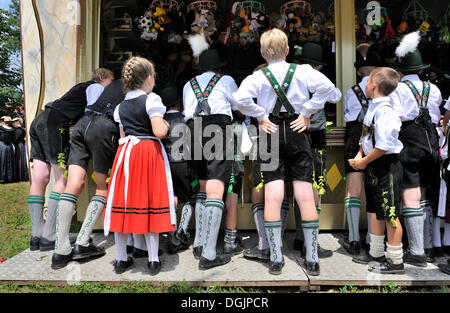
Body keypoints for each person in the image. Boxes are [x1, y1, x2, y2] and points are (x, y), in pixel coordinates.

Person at [233, 29, 337, 276]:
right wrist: (307, 112)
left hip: (270, 134)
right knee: (304, 193)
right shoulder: (303, 71)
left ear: (262, 53)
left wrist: (260, 116)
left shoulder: (257, 76)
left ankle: (276, 258)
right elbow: (332, 91)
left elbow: (239, 100)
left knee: (273, 195)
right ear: (288, 50)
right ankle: (312, 259)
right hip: (297, 130)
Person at [103, 57, 175, 276]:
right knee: (150, 202)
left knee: (124, 204)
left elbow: (123, 135)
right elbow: (159, 132)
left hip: (126, 154)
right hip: (147, 154)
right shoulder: (151, 99)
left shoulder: (121, 107)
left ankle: (121, 258)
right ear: (149, 79)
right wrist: (165, 123)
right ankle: (153, 260)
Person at [28, 68, 113, 252]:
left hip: (40, 120)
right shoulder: (96, 87)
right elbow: (92, 113)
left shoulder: (80, 87)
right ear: (101, 78)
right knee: (63, 179)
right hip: (56, 124)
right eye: (110, 82)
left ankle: (36, 235)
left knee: (40, 176)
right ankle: (49, 235)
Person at [51, 76, 125, 269]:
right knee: (103, 186)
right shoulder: (136, 87)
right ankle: (82, 243)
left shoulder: (114, 83)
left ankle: (60, 250)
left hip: (82, 124)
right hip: (103, 127)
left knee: (74, 183)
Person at [183, 34, 240, 270]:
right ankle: (208, 253)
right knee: (218, 185)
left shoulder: (188, 84)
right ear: (217, 69)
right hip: (217, 127)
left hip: (191, 129)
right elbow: (238, 106)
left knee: (204, 186)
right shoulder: (225, 80)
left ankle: (198, 243)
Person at [389, 31, 442, 267]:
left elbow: (396, 118)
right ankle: (428, 246)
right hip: (431, 144)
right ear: (420, 70)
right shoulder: (435, 89)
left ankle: (417, 252)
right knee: (424, 194)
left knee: (410, 193)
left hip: (408, 141)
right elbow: (438, 116)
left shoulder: (398, 89)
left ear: (401, 71)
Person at [349, 67, 405, 273]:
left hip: (386, 165)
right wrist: (360, 154)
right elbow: (367, 137)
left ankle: (395, 259)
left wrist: (364, 161)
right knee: (374, 209)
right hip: (372, 163)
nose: (365, 83)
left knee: (389, 212)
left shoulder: (386, 112)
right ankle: (376, 252)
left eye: (367, 80)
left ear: (373, 84)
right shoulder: (373, 107)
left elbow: (384, 145)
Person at [291, 43, 341, 259]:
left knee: (299, 185)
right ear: (319, 66)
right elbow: (336, 96)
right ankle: (309, 241)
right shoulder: (318, 78)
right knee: (314, 187)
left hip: (293, 133)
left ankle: (300, 237)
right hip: (315, 134)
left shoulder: (291, 77)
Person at [342, 44, 383, 256]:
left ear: (358, 72)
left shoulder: (351, 91)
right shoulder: (384, 91)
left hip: (354, 134)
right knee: (374, 185)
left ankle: (353, 238)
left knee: (354, 185)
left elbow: (347, 113)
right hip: (376, 136)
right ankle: (372, 237)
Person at [159, 85, 197, 255]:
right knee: (192, 196)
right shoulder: (186, 120)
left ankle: (172, 232)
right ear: (179, 103)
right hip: (184, 165)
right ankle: (181, 231)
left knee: (172, 197)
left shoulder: (160, 122)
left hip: (165, 166)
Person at [12, 117, 29, 182]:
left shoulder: (18, 130)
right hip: (21, 145)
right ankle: (22, 176)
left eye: (13, 122)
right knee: (21, 159)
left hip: (19, 145)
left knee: (20, 160)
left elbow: (15, 138)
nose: (13, 124)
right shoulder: (22, 129)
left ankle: (21, 176)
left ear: (17, 122)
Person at [0, 116, 15, 183]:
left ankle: (3, 176)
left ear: (3, 121)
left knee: (2, 160)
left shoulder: (1, 129)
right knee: (9, 161)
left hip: (2, 145)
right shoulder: (12, 129)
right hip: (9, 146)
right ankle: (9, 177)